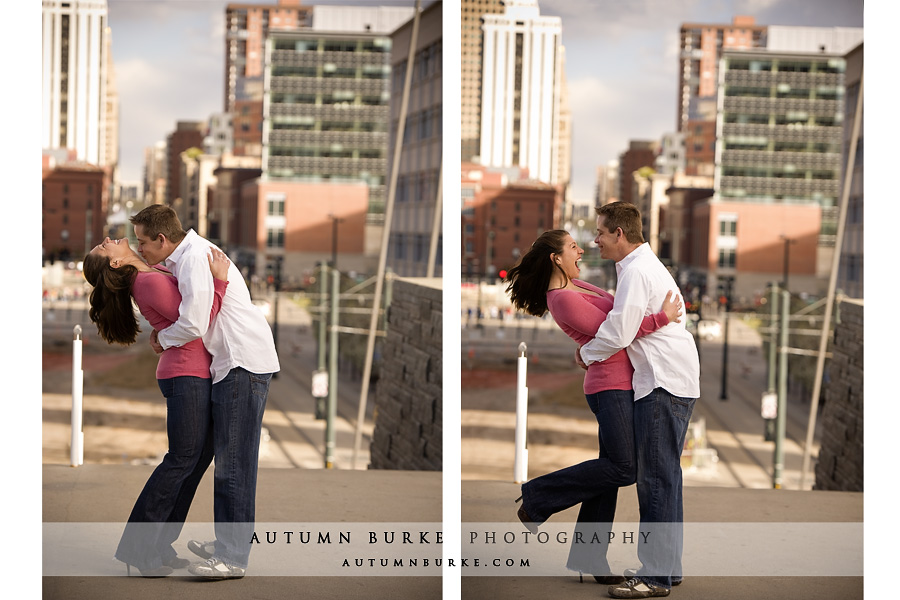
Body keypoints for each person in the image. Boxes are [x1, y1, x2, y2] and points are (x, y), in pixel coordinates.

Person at [504, 229, 682, 584]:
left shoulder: (579, 287)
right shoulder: (561, 298)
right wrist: (662, 318)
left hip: (623, 384)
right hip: (609, 388)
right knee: (623, 469)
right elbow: (614, 333)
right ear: (556, 257)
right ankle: (538, 496)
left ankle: (590, 557)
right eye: (572, 247)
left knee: (609, 472)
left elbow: (619, 317)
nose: (581, 251)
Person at [129, 204, 280, 579]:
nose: (141, 250)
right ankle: (230, 545)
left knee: (234, 467)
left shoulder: (196, 257)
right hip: (230, 364)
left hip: (240, 364)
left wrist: (162, 338)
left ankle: (232, 557)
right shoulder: (182, 258)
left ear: (163, 239)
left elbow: (195, 322)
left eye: (143, 242)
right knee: (227, 463)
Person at [83, 237, 231, 577]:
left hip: (193, 374)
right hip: (185, 375)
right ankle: (138, 549)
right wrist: (220, 282)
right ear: (116, 264)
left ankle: (159, 544)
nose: (107, 240)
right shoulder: (147, 282)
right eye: (104, 248)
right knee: (180, 462)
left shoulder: (154, 271)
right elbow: (198, 322)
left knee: (193, 462)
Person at [577, 202, 700, 599]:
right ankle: (668, 568)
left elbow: (619, 331)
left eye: (600, 232)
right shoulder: (640, 266)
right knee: (667, 479)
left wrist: (586, 354)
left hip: (662, 382)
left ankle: (655, 577)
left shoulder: (636, 271)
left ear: (619, 234)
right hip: (672, 379)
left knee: (655, 481)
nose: (594, 239)